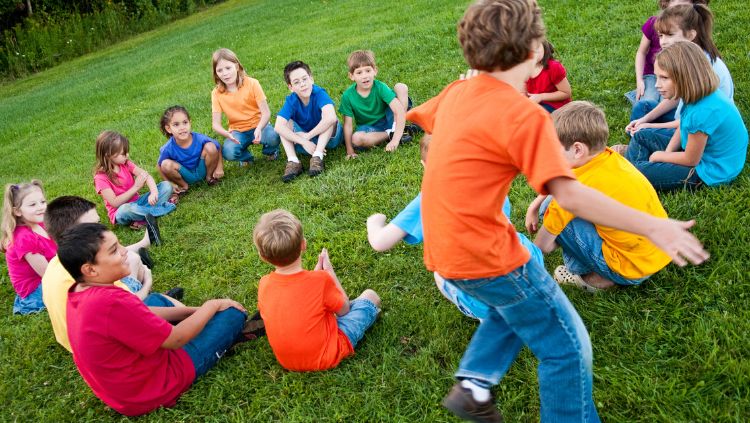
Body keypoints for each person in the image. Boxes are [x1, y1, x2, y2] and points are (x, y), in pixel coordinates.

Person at [406, 1, 708, 421]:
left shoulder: (456, 93)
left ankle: (476, 381)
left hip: (444, 253)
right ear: (534, 52)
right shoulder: (522, 115)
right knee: (565, 348)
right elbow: (571, 196)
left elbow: (420, 117)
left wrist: (475, 83)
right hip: (490, 256)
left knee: (513, 304)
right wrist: (654, 224)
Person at [58, 223, 254, 416]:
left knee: (157, 300)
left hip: (123, 389)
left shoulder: (79, 291)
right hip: (156, 387)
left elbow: (143, 311)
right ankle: (226, 336)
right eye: (114, 250)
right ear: (90, 270)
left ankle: (201, 321)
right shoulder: (110, 302)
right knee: (232, 315)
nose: (125, 251)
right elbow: (176, 339)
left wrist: (198, 311)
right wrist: (211, 306)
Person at [367, 135, 543, 321]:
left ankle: (489, 314)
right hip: (532, 271)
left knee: (441, 272)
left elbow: (380, 242)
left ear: (425, 166)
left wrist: (374, 222)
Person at [525, 101, 671, 292]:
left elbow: (541, 247)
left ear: (577, 149)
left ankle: (590, 277)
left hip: (630, 269)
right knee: (547, 206)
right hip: (659, 251)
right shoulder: (609, 157)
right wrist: (533, 205)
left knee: (552, 213)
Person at [42, 195, 185, 352]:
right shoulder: (88, 276)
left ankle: (159, 300)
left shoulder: (56, 265)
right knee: (136, 264)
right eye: (93, 225)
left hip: (76, 340)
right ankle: (158, 300)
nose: (100, 228)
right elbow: (128, 306)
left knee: (131, 259)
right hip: (104, 341)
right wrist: (147, 283)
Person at [254, 209, 381, 371]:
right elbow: (344, 310)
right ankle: (369, 317)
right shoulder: (320, 280)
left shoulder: (264, 284)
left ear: (262, 256)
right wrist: (329, 272)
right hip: (327, 355)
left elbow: (293, 301)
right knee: (371, 296)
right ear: (303, 244)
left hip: (287, 362)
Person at [624, 42, 747, 190]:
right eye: (657, 77)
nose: (657, 85)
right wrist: (667, 153)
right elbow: (682, 128)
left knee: (638, 173)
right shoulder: (697, 96)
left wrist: (659, 157)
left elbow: (690, 159)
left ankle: (628, 173)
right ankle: (632, 165)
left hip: (710, 170)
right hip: (700, 153)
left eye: (664, 78)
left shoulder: (702, 112)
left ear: (685, 77)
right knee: (641, 136)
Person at [621, 3, 732, 148]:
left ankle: (637, 150)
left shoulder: (700, 68)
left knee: (645, 134)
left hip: (702, 134)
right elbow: (677, 98)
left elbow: (691, 122)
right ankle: (636, 146)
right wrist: (645, 119)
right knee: (643, 107)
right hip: (684, 119)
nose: (663, 42)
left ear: (691, 35)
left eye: (670, 35)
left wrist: (648, 125)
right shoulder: (687, 57)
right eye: (661, 35)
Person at [624, 0, 708, 105]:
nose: (663, 41)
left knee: (669, 104)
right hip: (653, 75)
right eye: (660, 35)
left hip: (677, 76)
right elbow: (641, 52)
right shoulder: (654, 24)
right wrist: (639, 80)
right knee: (648, 102)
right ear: (666, 4)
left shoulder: (689, 31)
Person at [93, 130, 175, 234]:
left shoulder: (125, 164)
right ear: (108, 155)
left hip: (138, 203)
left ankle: (142, 218)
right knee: (126, 209)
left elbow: (146, 176)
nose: (127, 155)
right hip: (122, 211)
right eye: (123, 153)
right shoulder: (100, 178)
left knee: (166, 186)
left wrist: (154, 192)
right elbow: (114, 203)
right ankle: (165, 208)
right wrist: (136, 187)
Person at [211, 48, 281, 165]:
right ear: (216, 74)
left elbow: (266, 113)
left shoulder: (252, 83)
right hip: (238, 131)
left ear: (237, 67)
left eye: (228, 68)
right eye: (220, 70)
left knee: (273, 137)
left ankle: (270, 151)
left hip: (260, 125)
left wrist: (259, 128)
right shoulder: (216, 93)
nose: (225, 73)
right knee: (228, 151)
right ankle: (246, 158)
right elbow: (215, 125)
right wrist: (227, 134)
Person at [274, 61, 343, 181]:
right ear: (291, 87)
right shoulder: (291, 100)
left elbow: (331, 117)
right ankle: (293, 161)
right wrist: (304, 141)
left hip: (329, 139)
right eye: (296, 82)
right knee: (285, 124)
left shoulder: (319, 93)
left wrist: (306, 137)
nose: (302, 84)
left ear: (311, 79)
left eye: (305, 79)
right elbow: (278, 127)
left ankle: (317, 156)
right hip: (305, 144)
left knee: (330, 117)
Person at [339, 49, 414, 158]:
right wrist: (350, 151)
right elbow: (348, 125)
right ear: (351, 76)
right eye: (359, 72)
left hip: (390, 117)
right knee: (356, 138)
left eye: (368, 71)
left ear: (375, 71)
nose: (365, 76)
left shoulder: (380, 87)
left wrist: (395, 141)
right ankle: (391, 133)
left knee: (401, 87)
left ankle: (398, 130)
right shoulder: (347, 96)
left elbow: (398, 111)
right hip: (372, 128)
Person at [1, 180, 55, 314]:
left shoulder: (40, 223)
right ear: (18, 211)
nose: (41, 207)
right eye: (32, 205)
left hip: (49, 272)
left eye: (42, 202)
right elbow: (48, 274)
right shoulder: (24, 238)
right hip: (35, 289)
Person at [157, 105, 223, 199]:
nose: (182, 127)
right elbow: (159, 166)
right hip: (186, 175)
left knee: (211, 147)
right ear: (168, 129)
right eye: (176, 124)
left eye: (185, 122)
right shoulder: (168, 148)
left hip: (203, 170)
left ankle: (210, 178)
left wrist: (219, 167)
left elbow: (218, 146)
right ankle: (184, 186)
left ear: (190, 123)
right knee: (165, 164)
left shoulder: (200, 138)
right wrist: (169, 183)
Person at [525, 39, 571, 112]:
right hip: (534, 103)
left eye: (536, 47)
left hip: (556, 105)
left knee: (533, 115)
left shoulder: (554, 67)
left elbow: (566, 93)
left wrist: (541, 97)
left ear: (544, 45)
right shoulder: (521, 69)